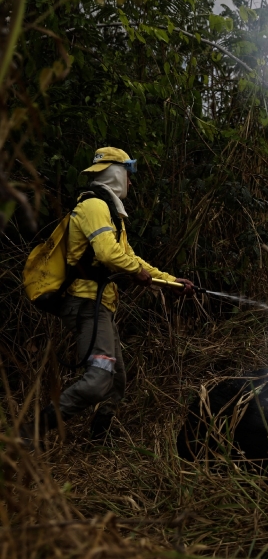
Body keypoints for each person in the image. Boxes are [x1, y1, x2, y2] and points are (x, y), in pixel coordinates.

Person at [26, 147, 195, 443]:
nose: (130, 183)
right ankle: (30, 433)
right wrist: (133, 272)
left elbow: (129, 257)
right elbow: (107, 253)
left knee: (116, 382)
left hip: (100, 304)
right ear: (116, 174)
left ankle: (98, 439)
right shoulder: (93, 206)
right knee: (98, 382)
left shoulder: (111, 213)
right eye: (128, 176)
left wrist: (170, 281)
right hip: (86, 303)